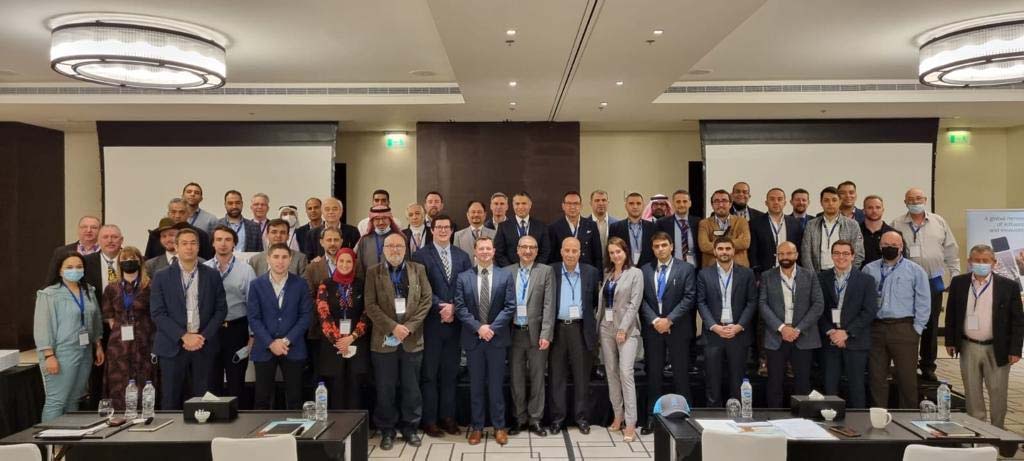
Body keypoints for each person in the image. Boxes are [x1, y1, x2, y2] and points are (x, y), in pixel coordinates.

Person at [364, 233, 432, 450]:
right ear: (383, 248)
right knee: (386, 388)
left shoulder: (417, 269)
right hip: (384, 340)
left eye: (399, 246)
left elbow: (426, 300)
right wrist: (393, 327)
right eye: (390, 245)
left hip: (412, 340)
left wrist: (408, 328)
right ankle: (387, 429)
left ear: (406, 248)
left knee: (412, 388)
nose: (394, 249)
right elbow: (370, 305)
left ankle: (411, 428)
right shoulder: (373, 272)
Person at [944, 245, 1024, 428]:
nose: (981, 264)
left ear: (994, 263)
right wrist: (950, 341)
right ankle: (977, 434)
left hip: (998, 348)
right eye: (976, 260)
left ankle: (998, 434)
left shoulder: (1008, 286)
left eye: (985, 261)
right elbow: (951, 315)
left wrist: (1015, 349)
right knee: (972, 393)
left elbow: (1018, 321)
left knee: (997, 392)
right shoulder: (959, 283)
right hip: (968, 346)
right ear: (969, 262)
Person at [150, 228, 227, 410]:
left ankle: (203, 437)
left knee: (204, 401)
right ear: (176, 247)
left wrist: (203, 336)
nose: (189, 247)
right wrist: (184, 336)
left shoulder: (212, 275)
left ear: (199, 247)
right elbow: (158, 313)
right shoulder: (161, 277)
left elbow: (221, 309)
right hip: (172, 346)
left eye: (193, 243)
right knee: (171, 399)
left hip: (204, 345)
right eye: (184, 243)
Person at [890, 187, 960, 382]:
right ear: (905, 202)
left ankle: (928, 366)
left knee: (930, 324)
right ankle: (906, 364)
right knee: (906, 324)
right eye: (911, 199)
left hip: (933, 281)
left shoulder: (939, 222)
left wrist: (954, 275)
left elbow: (951, 250)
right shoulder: (896, 223)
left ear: (926, 200)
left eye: (918, 198)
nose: (915, 201)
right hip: (905, 283)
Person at [412, 214, 472, 438]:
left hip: (455, 324)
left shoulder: (462, 256)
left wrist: (454, 307)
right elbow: (420, 287)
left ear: (452, 230)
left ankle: (448, 417)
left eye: (447, 227)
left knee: (450, 373)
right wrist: (441, 306)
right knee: (429, 374)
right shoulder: (420, 255)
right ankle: (429, 420)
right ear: (432, 229)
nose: (443, 230)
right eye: (439, 227)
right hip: (431, 324)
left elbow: (467, 285)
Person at [455, 236, 516, 446]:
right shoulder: (463, 277)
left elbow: (510, 306)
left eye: (488, 249)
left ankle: (499, 427)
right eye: (481, 249)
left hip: (496, 340)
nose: (484, 252)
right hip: (474, 340)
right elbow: (460, 308)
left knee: (497, 386)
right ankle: (477, 427)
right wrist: (479, 328)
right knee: (476, 387)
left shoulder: (505, 276)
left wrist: (491, 328)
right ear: (475, 251)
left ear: (493, 251)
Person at [34, 250, 105, 421]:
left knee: (74, 399)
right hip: (61, 352)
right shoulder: (49, 294)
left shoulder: (88, 290)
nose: (75, 270)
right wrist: (49, 355)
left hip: (85, 350)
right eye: (70, 267)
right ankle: (51, 445)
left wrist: (98, 344)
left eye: (79, 267)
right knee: (56, 401)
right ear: (60, 270)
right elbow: (42, 327)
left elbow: (95, 319)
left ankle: (68, 442)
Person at [862, 231, 930, 408]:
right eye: (885, 244)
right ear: (880, 246)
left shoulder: (915, 270)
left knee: (907, 378)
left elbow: (924, 301)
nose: (889, 247)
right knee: (877, 378)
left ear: (901, 247)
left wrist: (917, 328)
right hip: (876, 328)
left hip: (904, 328)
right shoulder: (869, 269)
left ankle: (908, 419)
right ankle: (878, 417)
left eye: (894, 245)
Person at [639, 231, 696, 435]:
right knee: (654, 376)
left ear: (672, 246)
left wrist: (669, 320)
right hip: (653, 329)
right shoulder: (644, 270)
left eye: (664, 245)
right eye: (656, 246)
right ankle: (652, 420)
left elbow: (689, 297)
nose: (660, 249)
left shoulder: (687, 269)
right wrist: (655, 320)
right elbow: (641, 300)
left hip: (678, 329)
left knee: (681, 376)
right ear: (652, 249)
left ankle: (686, 419)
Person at [759, 241, 824, 408]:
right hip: (776, 336)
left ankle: (801, 422)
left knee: (802, 383)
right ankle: (774, 419)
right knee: (774, 383)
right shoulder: (767, 276)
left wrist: (797, 329)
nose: (785, 257)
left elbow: (818, 305)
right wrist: (782, 328)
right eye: (781, 254)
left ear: (796, 255)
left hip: (803, 336)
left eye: (788, 254)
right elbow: (762, 305)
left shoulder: (810, 275)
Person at [248, 244, 311, 410]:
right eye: (276, 257)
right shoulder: (256, 285)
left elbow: (305, 316)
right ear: (268, 259)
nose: (280, 261)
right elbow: (254, 318)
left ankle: (295, 435)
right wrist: (271, 343)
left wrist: (286, 340)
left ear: (290, 259)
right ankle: (261, 435)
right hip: (264, 347)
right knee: (262, 398)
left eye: (284, 257)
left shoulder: (300, 284)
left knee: (295, 398)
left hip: (293, 347)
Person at [548, 237, 601, 435]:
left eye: (574, 251)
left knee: (581, 377)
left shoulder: (591, 273)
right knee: (557, 376)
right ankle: (557, 418)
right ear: (561, 251)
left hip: (581, 330)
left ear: (580, 253)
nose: (570, 254)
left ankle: (582, 418)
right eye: (567, 250)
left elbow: (595, 303)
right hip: (558, 329)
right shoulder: (550, 271)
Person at [697, 236, 757, 407]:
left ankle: (737, 416)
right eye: (721, 249)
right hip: (713, 334)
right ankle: (714, 417)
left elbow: (752, 302)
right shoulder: (704, 274)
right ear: (715, 251)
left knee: (737, 379)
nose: (724, 252)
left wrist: (739, 326)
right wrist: (714, 326)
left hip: (738, 333)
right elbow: (701, 302)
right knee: (712, 379)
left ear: (734, 251)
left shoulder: (747, 273)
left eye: (728, 249)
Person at [818, 240, 878, 409]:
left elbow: (869, 311)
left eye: (845, 253)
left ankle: (857, 424)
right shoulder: (821, 278)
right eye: (836, 253)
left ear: (852, 256)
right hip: (830, 341)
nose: (841, 257)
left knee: (856, 387)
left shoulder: (866, 280)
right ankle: (829, 424)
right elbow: (817, 309)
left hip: (856, 341)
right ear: (831, 255)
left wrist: (847, 333)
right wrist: (830, 331)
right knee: (829, 387)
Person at [506, 235, 556, 437]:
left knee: (537, 378)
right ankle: (519, 419)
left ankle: (535, 419)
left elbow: (549, 305)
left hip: (537, 335)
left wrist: (546, 334)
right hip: (514, 333)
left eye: (532, 248)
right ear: (517, 250)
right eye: (524, 247)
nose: (528, 251)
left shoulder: (545, 271)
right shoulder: (507, 272)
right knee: (516, 379)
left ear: (537, 251)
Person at [203, 225, 257, 403]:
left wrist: (252, 335)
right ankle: (212, 423)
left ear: (234, 243)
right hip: (211, 330)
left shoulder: (245, 270)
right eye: (219, 239)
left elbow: (253, 304)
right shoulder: (203, 269)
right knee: (211, 379)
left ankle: (237, 424)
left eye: (227, 239)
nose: (223, 244)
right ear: (212, 243)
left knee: (236, 381)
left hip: (236, 329)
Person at [100, 246, 157, 411]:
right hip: (119, 343)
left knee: (144, 376)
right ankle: (119, 413)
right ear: (119, 263)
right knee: (119, 379)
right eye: (124, 260)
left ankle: (145, 413)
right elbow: (109, 316)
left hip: (145, 338)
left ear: (140, 262)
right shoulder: (111, 287)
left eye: (133, 259)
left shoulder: (150, 285)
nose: (128, 262)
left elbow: (156, 314)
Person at [598, 237, 643, 442]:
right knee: (611, 373)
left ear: (626, 252)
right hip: (606, 328)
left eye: (619, 251)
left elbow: (634, 304)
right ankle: (618, 415)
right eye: (612, 252)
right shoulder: (608, 274)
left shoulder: (636, 273)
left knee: (626, 373)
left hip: (627, 330)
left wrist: (623, 328)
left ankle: (631, 422)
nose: (615, 255)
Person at [314, 247, 370, 410]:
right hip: (333, 344)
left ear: (354, 264)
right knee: (336, 384)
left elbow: (367, 312)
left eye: (349, 261)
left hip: (356, 341)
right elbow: (323, 312)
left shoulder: (361, 284)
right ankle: (336, 427)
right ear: (336, 262)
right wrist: (338, 340)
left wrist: (352, 337)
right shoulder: (326, 284)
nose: (345, 264)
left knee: (355, 384)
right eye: (341, 261)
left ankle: (356, 427)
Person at [800, 187, 864, 271]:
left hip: (844, 274)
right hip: (818, 275)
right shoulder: (811, 225)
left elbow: (858, 254)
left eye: (834, 200)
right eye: (826, 200)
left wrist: (848, 274)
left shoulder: (852, 225)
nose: (830, 203)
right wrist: (813, 276)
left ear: (840, 202)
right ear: (821, 203)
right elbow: (805, 254)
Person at [749, 188, 804, 275]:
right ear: (766, 203)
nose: (776, 202)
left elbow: (800, 250)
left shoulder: (795, 223)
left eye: (779, 199)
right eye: (772, 199)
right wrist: (757, 274)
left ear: (785, 203)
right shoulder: (755, 223)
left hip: (791, 272)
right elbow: (752, 252)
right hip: (765, 273)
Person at [144, 198, 214, 260]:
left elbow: (207, 262)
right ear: (168, 214)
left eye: (181, 212)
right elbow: (148, 261)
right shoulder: (156, 234)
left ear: (188, 214)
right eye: (173, 212)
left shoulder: (201, 235)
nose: (177, 216)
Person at [494, 191, 552, 266]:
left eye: (524, 203)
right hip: (511, 273)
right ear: (513, 205)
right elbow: (499, 253)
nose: (520, 207)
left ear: (530, 205)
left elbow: (546, 251)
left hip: (535, 273)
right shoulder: (503, 227)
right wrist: (511, 270)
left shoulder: (541, 226)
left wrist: (534, 269)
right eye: (517, 204)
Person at [549, 191, 603, 268]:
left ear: (581, 206)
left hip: (586, 272)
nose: (572, 207)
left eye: (576, 203)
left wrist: (599, 278)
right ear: (563, 206)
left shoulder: (591, 226)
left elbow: (598, 256)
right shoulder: (553, 228)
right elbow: (552, 257)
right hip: (563, 273)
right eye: (569, 203)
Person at [698, 190, 751, 267]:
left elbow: (744, 243)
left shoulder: (741, 221)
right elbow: (704, 246)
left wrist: (717, 246)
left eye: (724, 201)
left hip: (739, 269)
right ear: (712, 205)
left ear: (730, 204)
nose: (721, 204)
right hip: (712, 269)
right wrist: (732, 244)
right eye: (716, 201)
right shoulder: (704, 223)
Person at [45, 215, 100, 285]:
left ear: (100, 230)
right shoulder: (61, 251)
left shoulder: (106, 253)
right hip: (68, 295)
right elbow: (52, 280)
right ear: (78, 229)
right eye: (84, 227)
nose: (89, 230)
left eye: (94, 227)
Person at [656, 189, 701, 267]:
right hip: (672, 268)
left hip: (694, 268)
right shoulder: (662, 223)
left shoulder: (698, 222)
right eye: (678, 202)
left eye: (685, 201)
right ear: (673, 203)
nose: (681, 205)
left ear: (690, 203)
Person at [611, 192, 658, 268]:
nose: (635, 206)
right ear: (626, 206)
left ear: (643, 206)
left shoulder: (653, 227)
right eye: (631, 203)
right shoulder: (615, 227)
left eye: (638, 203)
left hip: (648, 270)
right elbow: (612, 252)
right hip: (624, 270)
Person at [355, 206, 402, 276]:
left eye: (384, 218)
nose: (381, 222)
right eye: (377, 219)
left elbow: (405, 267)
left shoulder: (400, 239)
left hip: (393, 283)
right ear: (372, 221)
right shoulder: (364, 240)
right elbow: (360, 268)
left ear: (390, 220)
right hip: (369, 283)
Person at [83, 225, 124, 303]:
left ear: (121, 240)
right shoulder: (86, 262)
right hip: (97, 311)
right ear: (98, 241)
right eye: (105, 237)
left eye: (114, 237)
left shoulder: (131, 260)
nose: (110, 241)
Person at [860, 195, 904, 266]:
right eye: (870, 207)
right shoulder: (855, 232)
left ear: (883, 210)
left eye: (878, 207)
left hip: (887, 275)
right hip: (860, 275)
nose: (874, 211)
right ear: (863, 211)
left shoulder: (895, 234)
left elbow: (901, 260)